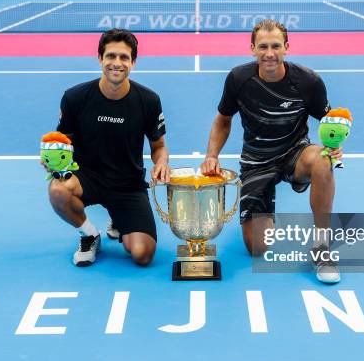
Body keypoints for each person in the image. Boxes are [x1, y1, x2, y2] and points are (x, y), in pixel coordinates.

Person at [199, 19, 343, 284]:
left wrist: (333, 147)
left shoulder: (308, 81)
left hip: (296, 153)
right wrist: (211, 155)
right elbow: (223, 118)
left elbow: (328, 120)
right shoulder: (238, 79)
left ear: (286, 47)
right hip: (256, 161)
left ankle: (322, 247)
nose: (269, 53)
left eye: (276, 46)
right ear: (252, 49)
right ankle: (266, 203)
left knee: (323, 161)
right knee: (257, 247)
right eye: (262, 46)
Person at [47, 28, 170, 267]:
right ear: (100, 59)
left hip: (128, 184)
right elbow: (62, 143)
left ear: (133, 62)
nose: (117, 63)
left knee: (142, 255)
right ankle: (89, 235)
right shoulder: (75, 98)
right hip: (86, 177)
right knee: (58, 190)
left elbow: (159, 146)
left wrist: (162, 162)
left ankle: (118, 219)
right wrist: (53, 162)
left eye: (124, 57)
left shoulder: (148, 101)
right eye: (111, 56)